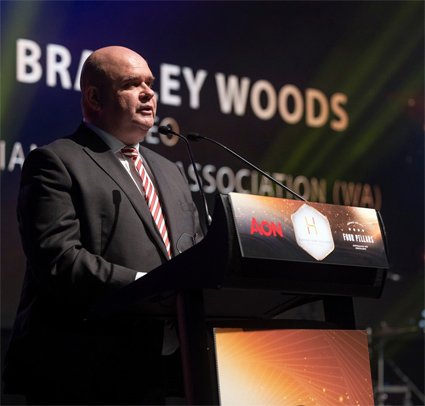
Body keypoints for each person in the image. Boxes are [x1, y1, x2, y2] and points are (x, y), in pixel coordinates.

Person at [2, 46, 203, 405]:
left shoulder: (170, 171)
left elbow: (193, 253)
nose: (148, 93)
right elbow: (59, 261)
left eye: (150, 84)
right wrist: (150, 289)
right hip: (82, 372)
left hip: (164, 370)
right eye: (131, 84)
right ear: (94, 97)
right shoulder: (56, 161)